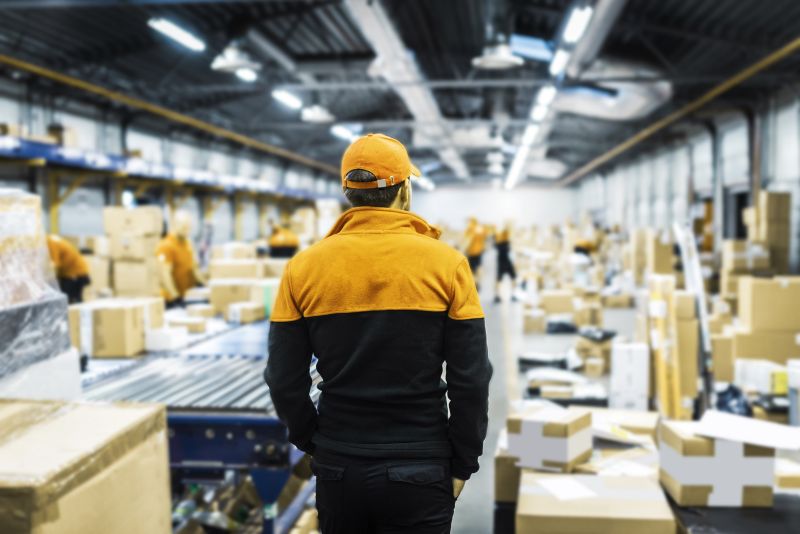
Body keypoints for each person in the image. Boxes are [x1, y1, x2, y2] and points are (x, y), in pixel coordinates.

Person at [265, 133, 492, 534]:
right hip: (422, 466)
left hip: (340, 463)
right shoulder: (448, 265)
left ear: (348, 193)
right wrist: (463, 463)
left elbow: (284, 379)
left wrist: (315, 443)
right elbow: (470, 380)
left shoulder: (302, 268)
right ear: (405, 190)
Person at [157, 210, 205, 308]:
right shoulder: (165, 246)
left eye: (189, 228)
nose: (187, 231)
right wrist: (176, 297)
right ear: (175, 225)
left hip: (186, 298)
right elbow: (164, 274)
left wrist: (203, 283)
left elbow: (194, 267)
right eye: (184, 228)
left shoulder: (187, 244)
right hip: (171, 301)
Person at [46, 235, 90, 303]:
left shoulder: (50, 242)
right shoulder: (52, 239)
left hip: (74, 274)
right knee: (72, 300)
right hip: (73, 273)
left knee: (70, 301)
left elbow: (53, 264)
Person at [493, 222, 518, 304]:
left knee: (509, 278)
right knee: (508, 278)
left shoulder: (500, 239)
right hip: (504, 261)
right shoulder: (502, 237)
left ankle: (499, 296)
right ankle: (498, 296)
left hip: (503, 260)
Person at [462, 217, 486, 290]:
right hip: (479, 251)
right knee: (478, 267)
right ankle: (478, 282)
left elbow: (468, 240)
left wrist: (463, 250)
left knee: (472, 269)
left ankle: (475, 284)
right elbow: (484, 238)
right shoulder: (480, 229)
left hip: (472, 252)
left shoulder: (470, 228)